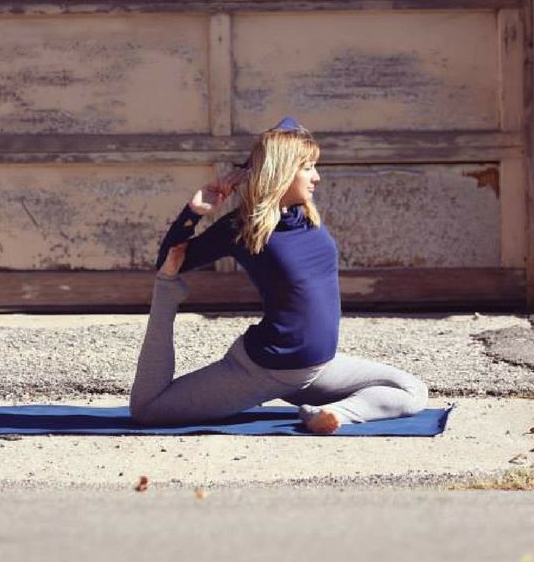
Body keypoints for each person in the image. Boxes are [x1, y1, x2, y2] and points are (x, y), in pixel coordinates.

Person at [129, 117, 428, 434]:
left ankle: (330, 414)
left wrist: (266, 156)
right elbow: (170, 260)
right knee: (148, 410)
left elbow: (288, 126)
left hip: (315, 369)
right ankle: (167, 299)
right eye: (308, 167)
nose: (317, 177)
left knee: (413, 391)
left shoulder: (305, 215)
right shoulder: (243, 227)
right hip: (263, 371)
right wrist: (194, 212)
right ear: (282, 171)